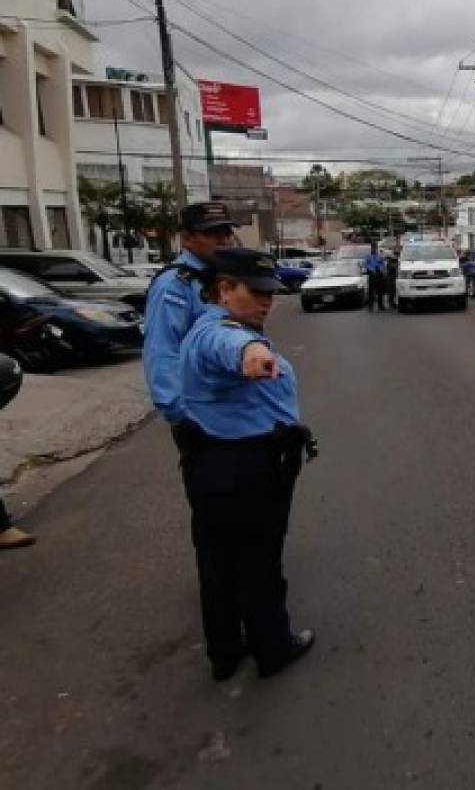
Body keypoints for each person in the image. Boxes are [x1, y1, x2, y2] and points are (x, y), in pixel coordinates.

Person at [177, 248, 317, 681]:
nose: (266, 301)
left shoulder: (211, 327)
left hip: (213, 460)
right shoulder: (222, 334)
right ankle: (272, 648)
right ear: (224, 289)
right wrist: (253, 354)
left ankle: (225, 652)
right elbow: (235, 349)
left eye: (269, 293)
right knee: (259, 562)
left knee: (219, 562)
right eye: (254, 292)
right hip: (249, 466)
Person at [144, 201, 236, 439]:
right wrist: (181, 414)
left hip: (232, 406)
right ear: (186, 238)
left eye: (226, 232)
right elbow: (162, 349)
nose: (223, 240)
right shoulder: (175, 284)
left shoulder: (220, 276)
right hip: (199, 414)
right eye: (212, 234)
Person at [363, 243, 386, 311]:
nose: (374, 249)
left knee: (380, 291)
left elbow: (382, 264)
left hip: (379, 274)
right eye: (373, 248)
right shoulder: (368, 256)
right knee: (371, 292)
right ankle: (370, 307)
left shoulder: (379, 256)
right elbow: (365, 265)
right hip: (372, 274)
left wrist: (382, 270)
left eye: (375, 248)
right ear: (371, 248)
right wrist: (371, 269)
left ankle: (380, 306)